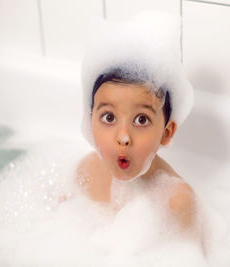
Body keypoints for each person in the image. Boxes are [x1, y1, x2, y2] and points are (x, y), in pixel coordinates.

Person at [76, 65, 197, 230]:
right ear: (91, 124)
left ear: (166, 133)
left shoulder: (177, 201)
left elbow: (188, 253)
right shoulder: (87, 170)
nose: (123, 137)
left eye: (141, 120)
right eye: (109, 117)